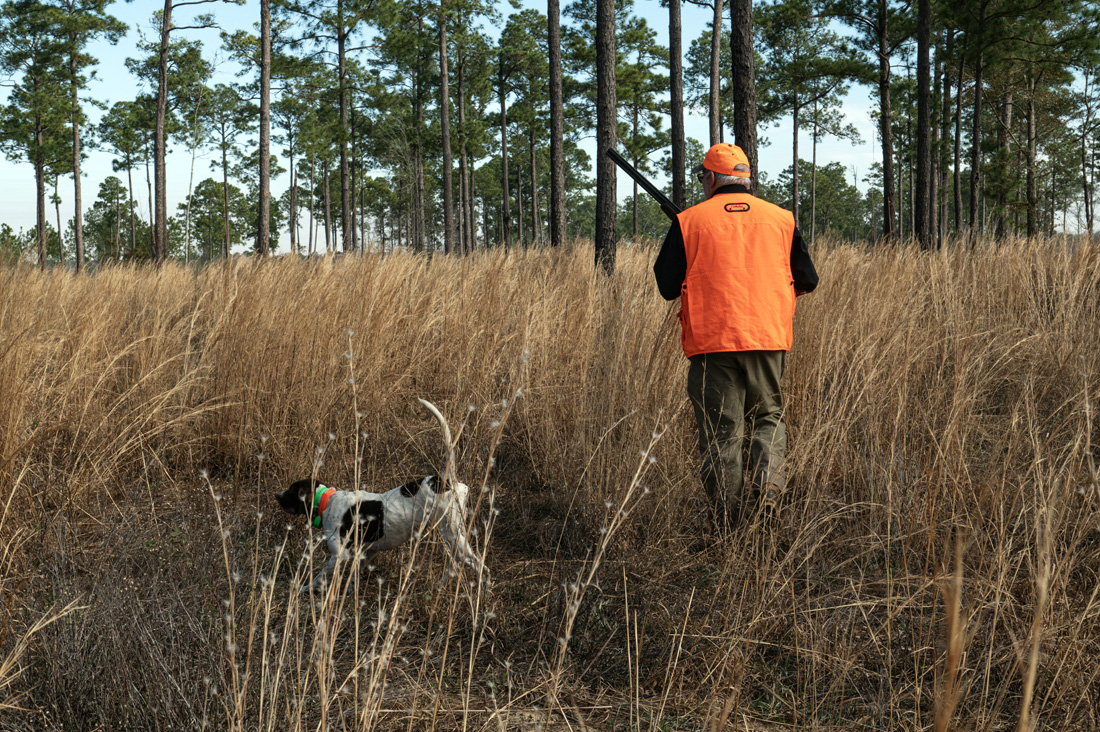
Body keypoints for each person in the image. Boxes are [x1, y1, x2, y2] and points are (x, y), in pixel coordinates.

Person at [653, 142, 818, 534]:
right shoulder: (781, 219)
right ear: (745, 179)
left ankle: (727, 526)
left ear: (711, 178)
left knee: (722, 430)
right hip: (768, 337)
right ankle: (767, 498)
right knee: (768, 417)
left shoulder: (690, 222)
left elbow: (666, 286)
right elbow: (808, 279)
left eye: (702, 178)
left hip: (713, 341)